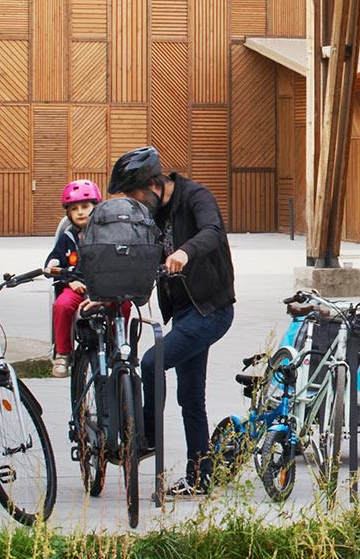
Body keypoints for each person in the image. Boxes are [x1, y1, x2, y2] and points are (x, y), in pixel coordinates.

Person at [109, 145, 235, 497]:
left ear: (152, 184)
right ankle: (200, 477)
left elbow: (213, 231)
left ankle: (148, 436)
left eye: (133, 194)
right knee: (191, 398)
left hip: (211, 309)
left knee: (153, 362)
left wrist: (184, 251)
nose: (132, 202)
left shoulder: (196, 196)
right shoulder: (152, 212)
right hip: (183, 313)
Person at [44, 179, 103, 376]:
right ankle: (63, 353)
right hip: (76, 286)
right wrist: (66, 278)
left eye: (85, 207)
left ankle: (119, 341)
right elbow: (54, 261)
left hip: (105, 288)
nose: (80, 212)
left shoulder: (108, 234)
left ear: (96, 207)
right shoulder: (67, 237)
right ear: (68, 213)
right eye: (74, 209)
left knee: (124, 303)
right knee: (62, 305)